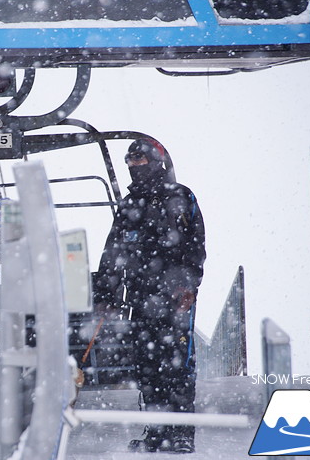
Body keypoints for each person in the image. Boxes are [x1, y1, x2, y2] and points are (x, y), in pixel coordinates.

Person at [93, 139, 206, 454]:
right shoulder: (129, 206)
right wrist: (105, 292)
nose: (134, 166)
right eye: (130, 161)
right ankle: (156, 433)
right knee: (148, 366)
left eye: (140, 160)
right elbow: (113, 252)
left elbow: (195, 246)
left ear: (157, 161)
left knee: (178, 365)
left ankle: (182, 433)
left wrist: (188, 285)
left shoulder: (181, 197)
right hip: (141, 297)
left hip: (174, 297)